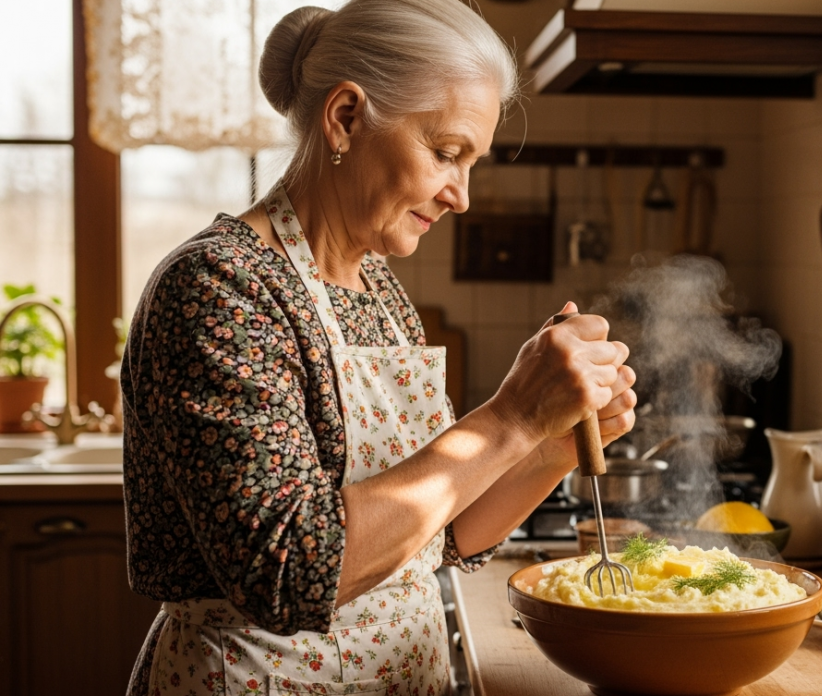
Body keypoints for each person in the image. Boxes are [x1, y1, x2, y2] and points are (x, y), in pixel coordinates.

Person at [120, 2, 637, 693]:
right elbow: (291, 573)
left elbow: (435, 534)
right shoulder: (221, 288)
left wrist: (547, 444)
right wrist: (511, 415)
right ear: (345, 119)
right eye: (447, 152)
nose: (462, 197)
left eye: (471, 162)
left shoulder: (379, 293)